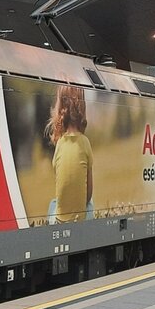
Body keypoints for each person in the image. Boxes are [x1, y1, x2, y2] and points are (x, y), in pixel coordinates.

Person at [45, 85, 93, 222]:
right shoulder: (85, 143)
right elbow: (88, 193)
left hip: (59, 219)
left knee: (53, 203)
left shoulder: (60, 144)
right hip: (80, 218)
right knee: (91, 203)